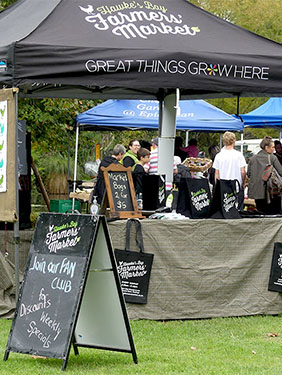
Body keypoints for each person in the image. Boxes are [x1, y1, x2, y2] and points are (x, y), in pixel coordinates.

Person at [247, 136, 282, 214]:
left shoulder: (252, 159)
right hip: (271, 192)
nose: (274, 149)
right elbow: (281, 172)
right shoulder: (273, 158)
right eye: (272, 147)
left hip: (257, 193)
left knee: (261, 214)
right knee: (273, 215)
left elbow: (249, 174)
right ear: (266, 147)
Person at [213, 132, 246, 210]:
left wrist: (217, 186)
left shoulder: (219, 156)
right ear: (234, 141)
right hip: (236, 185)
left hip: (223, 186)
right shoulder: (239, 155)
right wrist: (243, 183)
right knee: (238, 209)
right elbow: (243, 172)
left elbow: (217, 174)